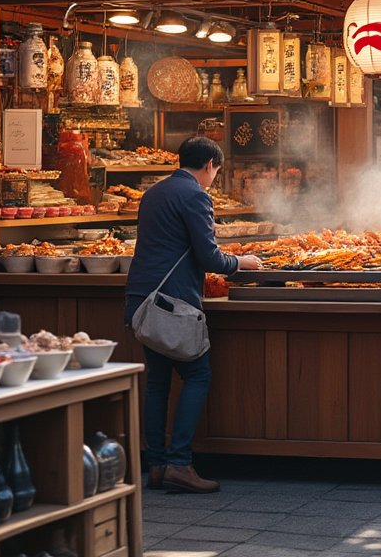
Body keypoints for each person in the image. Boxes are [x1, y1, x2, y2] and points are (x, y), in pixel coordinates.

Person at [125, 137, 262, 494]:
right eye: (215, 170)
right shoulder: (197, 195)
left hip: (143, 299)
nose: (213, 176)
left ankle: (155, 465)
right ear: (209, 166)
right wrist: (240, 262)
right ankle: (180, 463)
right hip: (173, 302)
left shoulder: (154, 193)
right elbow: (209, 257)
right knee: (198, 374)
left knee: (157, 381)